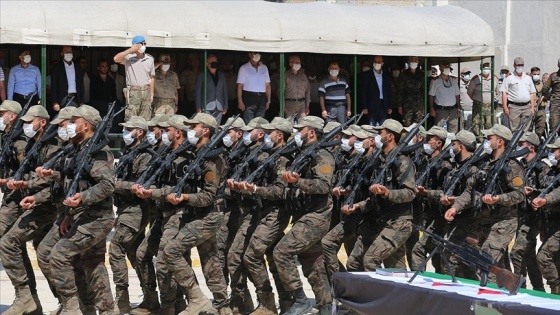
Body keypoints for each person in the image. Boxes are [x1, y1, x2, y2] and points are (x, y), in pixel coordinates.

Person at [35, 105, 116, 313]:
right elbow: (74, 182)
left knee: (59, 255)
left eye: (73, 122)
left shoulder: (98, 152)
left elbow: (107, 185)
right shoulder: (80, 149)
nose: (69, 126)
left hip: (97, 217)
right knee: (93, 264)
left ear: (85, 125)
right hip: (82, 215)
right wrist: (69, 215)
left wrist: (83, 198)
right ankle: (106, 310)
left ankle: (72, 307)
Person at [446, 124, 525, 283]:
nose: (486, 141)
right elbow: (470, 190)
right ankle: (514, 287)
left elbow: (519, 194)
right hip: (483, 221)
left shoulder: (512, 166)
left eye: (490, 138)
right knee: (481, 261)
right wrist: (455, 207)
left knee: (484, 264)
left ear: (500, 142)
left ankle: (489, 305)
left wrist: (498, 199)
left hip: (503, 221)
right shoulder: (483, 163)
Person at [0, 105, 58, 315]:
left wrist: (16, 184)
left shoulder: (43, 146)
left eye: (29, 121)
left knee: (16, 244)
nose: (25, 126)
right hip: (26, 199)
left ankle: (66, 301)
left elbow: (49, 180)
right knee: (25, 247)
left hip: (40, 202)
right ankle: (30, 299)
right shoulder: (32, 142)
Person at [274, 116, 334, 315]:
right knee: (312, 263)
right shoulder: (303, 153)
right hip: (304, 214)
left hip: (316, 215)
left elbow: (324, 185)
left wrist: (298, 182)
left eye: (301, 129)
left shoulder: (322, 156)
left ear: (311, 132)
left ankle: (301, 299)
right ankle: (326, 306)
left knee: (282, 252)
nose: (297, 133)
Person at [239, 117, 295, 315]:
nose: (268, 135)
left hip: (275, 213)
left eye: (271, 132)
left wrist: (256, 189)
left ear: (279, 135)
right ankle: (286, 302)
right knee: (272, 257)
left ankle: (268, 304)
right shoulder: (271, 155)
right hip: (264, 211)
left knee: (252, 256)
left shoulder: (284, 158)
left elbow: (280, 191)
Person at [344, 119, 415, 273]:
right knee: (355, 262)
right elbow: (374, 198)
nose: (376, 136)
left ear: (389, 137)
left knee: (371, 260)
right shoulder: (379, 161)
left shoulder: (402, 161)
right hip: (380, 219)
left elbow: (410, 193)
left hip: (398, 222)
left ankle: (378, 296)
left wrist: (387, 192)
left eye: (380, 133)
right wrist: (358, 206)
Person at [111, 116, 154, 314]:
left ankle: (122, 300)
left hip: (137, 208)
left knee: (116, 248)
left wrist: (114, 185)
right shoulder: (129, 152)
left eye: (130, 129)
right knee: (136, 253)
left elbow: (139, 186)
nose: (126, 132)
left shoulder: (145, 155)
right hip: (126, 209)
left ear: (140, 132)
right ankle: (150, 298)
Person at [510, 131, 546, 291]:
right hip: (521, 215)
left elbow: (548, 190)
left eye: (521, 144)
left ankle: (520, 288)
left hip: (535, 217)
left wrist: (534, 192)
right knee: (529, 255)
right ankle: (538, 289)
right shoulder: (521, 165)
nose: (519, 147)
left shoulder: (542, 167)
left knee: (517, 252)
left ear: (531, 147)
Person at [531, 137, 560, 295]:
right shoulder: (553, 171)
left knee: (543, 256)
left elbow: (557, 193)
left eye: (554, 149)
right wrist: (536, 193)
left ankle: (556, 288)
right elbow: (547, 189)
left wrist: (545, 199)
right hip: (552, 224)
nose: (551, 152)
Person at [113, 35, 156, 121]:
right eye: (140, 44)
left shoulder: (150, 59)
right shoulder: (129, 58)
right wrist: (131, 50)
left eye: (144, 43)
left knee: (146, 118)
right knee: (131, 119)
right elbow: (116, 59)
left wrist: (151, 94)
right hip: (133, 92)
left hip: (146, 91)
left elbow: (152, 77)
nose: (143, 46)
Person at [501, 57, 536, 131]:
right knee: (514, 128)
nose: (520, 67)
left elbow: (532, 93)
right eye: (518, 65)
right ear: (514, 65)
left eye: (522, 65)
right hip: (514, 107)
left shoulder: (528, 78)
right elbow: (504, 93)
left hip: (526, 107)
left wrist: (532, 107)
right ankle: (515, 142)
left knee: (526, 128)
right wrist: (505, 107)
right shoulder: (509, 78)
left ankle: (524, 142)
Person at [237, 52, 271, 124]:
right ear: (250, 54)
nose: (257, 55)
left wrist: (268, 100)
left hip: (261, 97)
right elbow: (240, 86)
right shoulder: (244, 68)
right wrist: (240, 101)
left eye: (258, 53)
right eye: (255, 53)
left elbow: (267, 85)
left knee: (260, 121)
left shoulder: (264, 68)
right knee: (248, 121)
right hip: (249, 97)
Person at [468, 62, 499, 140]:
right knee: (477, 124)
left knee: (490, 124)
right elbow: (469, 92)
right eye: (484, 67)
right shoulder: (476, 79)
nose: (486, 68)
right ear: (480, 68)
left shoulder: (494, 79)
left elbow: (497, 92)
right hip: (478, 106)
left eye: (487, 67)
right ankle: (479, 141)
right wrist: (477, 100)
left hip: (490, 106)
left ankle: (490, 141)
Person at [359, 56, 392, 126]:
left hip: (383, 105)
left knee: (383, 126)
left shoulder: (386, 75)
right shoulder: (366, 75)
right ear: (373, 63)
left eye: (379, 62)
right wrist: (364, 107)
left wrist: (390, 106)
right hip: (371, 105)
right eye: (375, 62)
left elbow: (389, 91)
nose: (377, 63)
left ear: (382, 63)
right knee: (371, 126)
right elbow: (363, 92)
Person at [428, 60, 461, 133]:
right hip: (441, 111)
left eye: (448, 66)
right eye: (445, 66)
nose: (446, 68)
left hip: (453, 110)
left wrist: (458, 108)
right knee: (439, 132)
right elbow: (431, 95)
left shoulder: (453, 80)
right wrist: (431, 108)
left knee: (453, 133)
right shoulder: (435, 81)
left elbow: (457, 95)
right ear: (440, 68)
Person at [195, 54, 228, 124]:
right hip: (206, 106)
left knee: (216, 127)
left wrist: (225, 106)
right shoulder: (202, 75)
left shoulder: (221, 75)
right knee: (206, 126)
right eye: (212, 61)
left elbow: (224, 91)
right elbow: (198, 92)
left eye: (215, 61)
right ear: (207, 64)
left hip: (219, 106)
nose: (214, 63)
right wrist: (198, 107)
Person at [51, 46, 85, 111]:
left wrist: (82, 101)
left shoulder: (78, 67)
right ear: (62, 54)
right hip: (63, 99)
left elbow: (81, 86)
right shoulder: (57, 67)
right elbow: (54, 86)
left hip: (75, 98)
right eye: (66, 51)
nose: (68, 53)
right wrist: (55, 102)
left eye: (70, 51)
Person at [397, 56, 425, 127]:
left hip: (419, 105)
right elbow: (400, 90)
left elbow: (423, 91)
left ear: (418, 62)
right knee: (407, 126)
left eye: (415, 60)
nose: (414, 62)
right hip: (407, 105)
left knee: (418, 127)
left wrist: (423, 106)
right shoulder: (403, 74)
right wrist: (400, 106)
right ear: (409, 62)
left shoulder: (421, 74)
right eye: (412, 60)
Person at [284, 55, 310, 123]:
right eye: (295, 62)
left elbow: (307, 91)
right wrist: (283, 106)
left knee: (303, 124)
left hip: (302, 104)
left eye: (298, 62)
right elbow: (280, 92)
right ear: (290, 64)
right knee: (289, 125)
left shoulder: (303, 76)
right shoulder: (285, 75)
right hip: (289, 104)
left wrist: (307, 106)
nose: (297, 64)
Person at [530, 67, 547, 138]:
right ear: (531, 74)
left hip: (540, 109)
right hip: (530, 109)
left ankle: (538, 143)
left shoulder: (543, 84)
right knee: (528, 128)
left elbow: (547, 94)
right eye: (535, 74)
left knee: (540, 128)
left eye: (538, 74)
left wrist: (544, 96)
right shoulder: (528, 83)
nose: (536, 76)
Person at [544, 58, 560, 131]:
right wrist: (549, 97)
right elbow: (544, 89)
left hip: (555, 103)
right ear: (558, 65)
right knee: (554, 125)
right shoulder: (553, 76)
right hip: (555, 104)